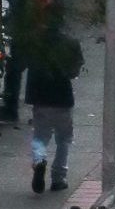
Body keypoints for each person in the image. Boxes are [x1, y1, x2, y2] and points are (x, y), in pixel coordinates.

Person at [25, 25, 81, 194]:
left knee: (40, 135)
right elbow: (74, 70)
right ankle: (59, 177)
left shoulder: (34, 42)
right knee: (63, 139)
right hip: (62, 98)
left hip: (40, 98)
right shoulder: (70, 43)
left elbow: (22, 63)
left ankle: (39, 159)